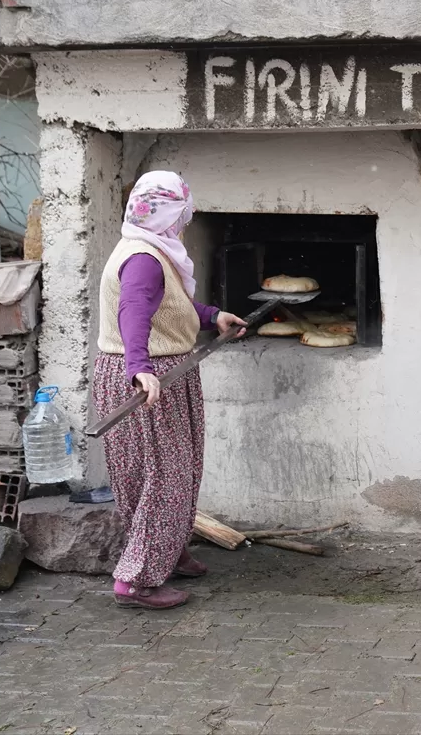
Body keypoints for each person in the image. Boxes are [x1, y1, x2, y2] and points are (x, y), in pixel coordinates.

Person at [93, 171, 247, 610]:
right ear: (167, 213)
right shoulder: (143, 257)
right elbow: (134, 312)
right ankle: (136, 581)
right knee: (167, 477)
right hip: (151, 379)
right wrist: (140, 369)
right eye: (182, 213)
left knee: (158, 473)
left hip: (158, 372)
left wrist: (211, 315)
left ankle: (166, 551)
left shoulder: (149, 248)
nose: (186, 221)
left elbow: (169, 305)